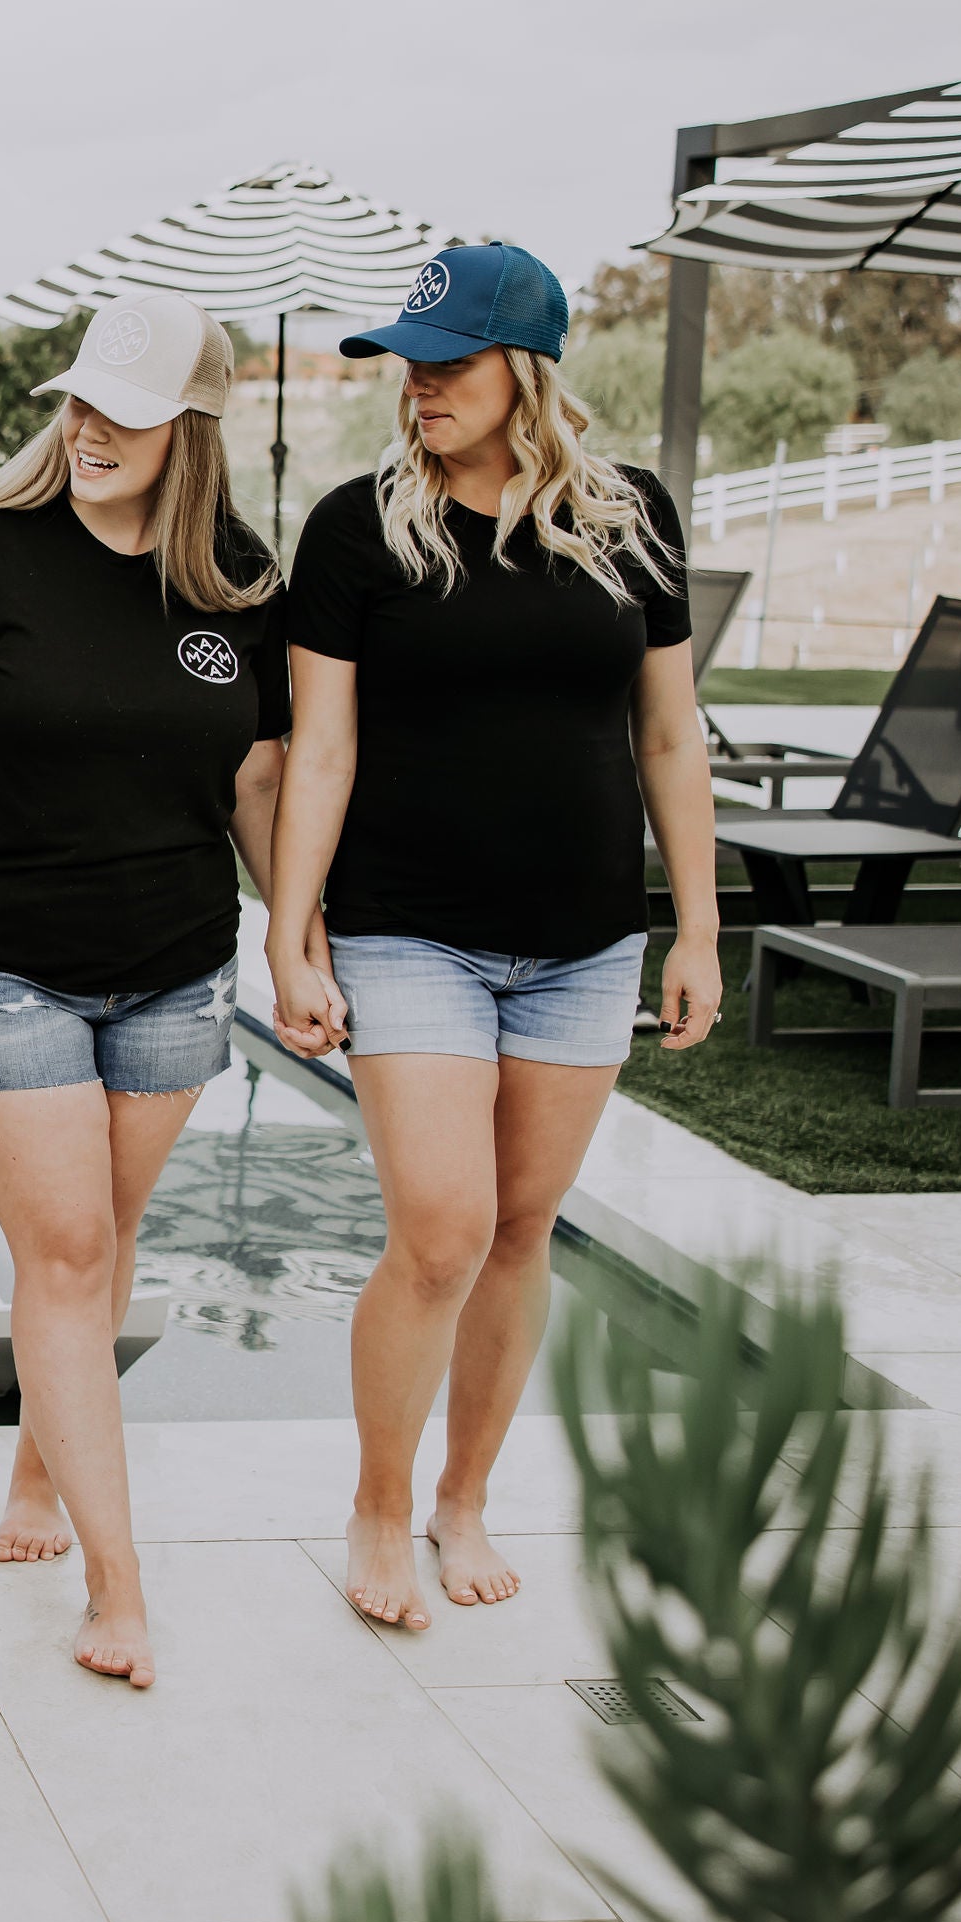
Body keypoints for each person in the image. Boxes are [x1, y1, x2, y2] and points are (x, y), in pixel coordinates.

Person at [264, 243, 722, 1631]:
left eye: (447, 364)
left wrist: (697, 926)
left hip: (586, 939)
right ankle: (381, 1503)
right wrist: (291, 934)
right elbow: (320, 748)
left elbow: (668, 732)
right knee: (444, 1228)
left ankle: (465, 1497)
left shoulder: (633, 517)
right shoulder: (357, 528)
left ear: (526, 367)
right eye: (409, 363)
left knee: (522, 1229)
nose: (420, 389)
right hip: (413, 932)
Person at [0, 290, 290, 1689]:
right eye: (82, 400)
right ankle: (119, 1589)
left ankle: (36, 1478)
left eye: (125, 409)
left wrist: (295, 945)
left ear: (196, 427)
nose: (90, 427)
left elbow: (256, 782)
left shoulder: (239, 581)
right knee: (66, 1253)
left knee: (99, 1244)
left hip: (175, 972)